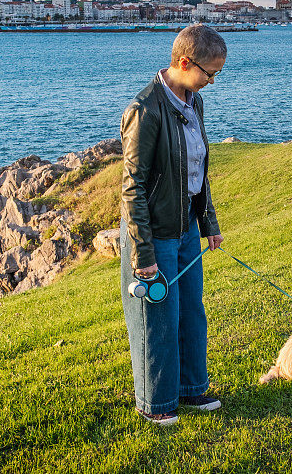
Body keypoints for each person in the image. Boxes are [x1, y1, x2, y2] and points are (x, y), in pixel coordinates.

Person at [119, 24, 226, 426]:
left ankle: (191, 390)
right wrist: (143, 253)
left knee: (190, 314)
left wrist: (208, 223)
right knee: (158, 320)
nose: (212, 82)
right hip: (155, 235)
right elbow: (132, 189)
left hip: (185, 228)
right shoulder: (144, 110)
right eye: (209, 73)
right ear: (185, 62)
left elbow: (197, 169)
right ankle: (156, 404)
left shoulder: (193, 100)